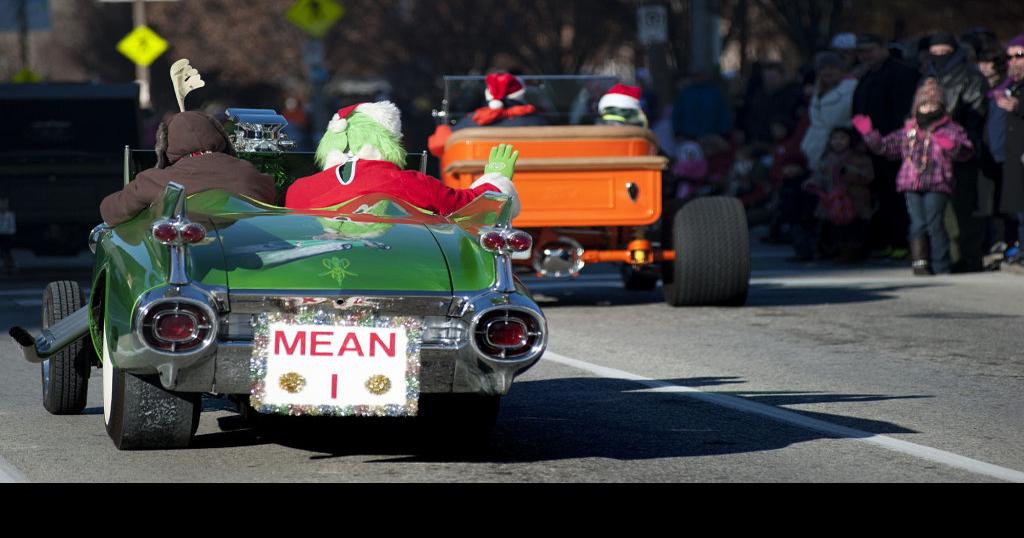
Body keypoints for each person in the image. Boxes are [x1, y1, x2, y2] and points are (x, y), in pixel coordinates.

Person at [286, 102, 520, 217]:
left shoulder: (298, 191)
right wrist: (495, 182)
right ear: (388, 142)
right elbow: (466, 207)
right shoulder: (407, 182)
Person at [854, 79, 974, 275]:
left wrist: (954, 147)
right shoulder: (909, 130)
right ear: (917, 106)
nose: (928, 109)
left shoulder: (950, 129)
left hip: (937, 182)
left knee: (935, 223)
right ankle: (919, 262)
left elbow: (966, 151)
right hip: (912, 182)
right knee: (917, 223)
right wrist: (870, 135)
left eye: (934, 105)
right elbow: (886, 147)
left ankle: (941, 264)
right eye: (924, 105)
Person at [99, 111, 278, 226]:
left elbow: (110, 212)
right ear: (220, 136)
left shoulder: (156, 180)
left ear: (167, 146)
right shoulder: (249, 174)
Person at [923, 32, 990, 272]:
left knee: (964, 207)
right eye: (935, 52)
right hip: (930, 153)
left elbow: (977, 113)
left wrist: (954, 137)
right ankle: (946, 257)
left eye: (945, 52)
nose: (940, 57)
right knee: (940, 210)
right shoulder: (928, 77)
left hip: (961, 150)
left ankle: (968, 257)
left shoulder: (970, 76)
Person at [851, 33, 921, 259]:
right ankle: (889, 241)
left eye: (869, 50)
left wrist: (895, 143)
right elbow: (858, 111)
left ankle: (902, 242)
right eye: (861, 52)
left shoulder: (901, 73)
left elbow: (905, 112)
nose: (864, 56)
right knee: (882, 197)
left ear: (883, 48)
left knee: (899, 197)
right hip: (871, 148)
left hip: (896, 146)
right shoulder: (865, 77)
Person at [428, 72, 547, 157]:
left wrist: (443, 128)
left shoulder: (469, 123)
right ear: (521, 95)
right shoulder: (538, 122)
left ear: (487, 95)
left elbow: (437, 145)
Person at [802, 127, 874, 262]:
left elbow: (868, 177)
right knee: (832, 229)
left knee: (853, 230)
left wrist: (850, 171)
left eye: (842, 138)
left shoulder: (859, 158)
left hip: (854, 201)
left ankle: (851, 252)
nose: (838, 142)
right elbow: (819, 176)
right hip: (831, 202)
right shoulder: (826, 159)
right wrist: (812, 183)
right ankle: (831, 251)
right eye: (835, 139)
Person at [801, 51, 859, 172]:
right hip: (816, 147)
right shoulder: (817, 92)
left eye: (832, 68)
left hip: (841, 146)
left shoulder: (852, 89)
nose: (828, 72)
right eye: (823, 68)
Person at [998, 34, 1024, 245]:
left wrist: (1018, 106)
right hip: (1013, 154)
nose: (1013, 61)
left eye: (1019, 55)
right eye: (1010, 57)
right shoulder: (1009, 85)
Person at [740, 62, 804, 145]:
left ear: (782, 77)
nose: (769, 80)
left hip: (782, 144)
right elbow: (747, 115)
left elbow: (797, 118)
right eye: (766, 77)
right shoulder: (755, 96)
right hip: (755, 141)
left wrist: (784, 125)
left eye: (773, 77)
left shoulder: (793, 95)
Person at [671, 71, 732, 140]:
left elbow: (724, 113)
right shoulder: (685, 94)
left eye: (701, 74)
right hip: (689, 136)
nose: (699, 78)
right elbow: (677, 114)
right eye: (696, 75)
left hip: (713, 135)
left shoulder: (715, 93)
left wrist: (724, 133)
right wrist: (678, 132)